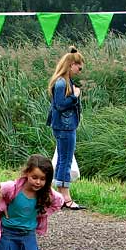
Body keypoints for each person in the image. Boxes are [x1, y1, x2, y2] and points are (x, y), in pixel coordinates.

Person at [46, 46, 85, 210]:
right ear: (71, 65)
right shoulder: (62, 83)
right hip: (65, 126)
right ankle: (65, 197)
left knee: (63, 159)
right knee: (65, 160)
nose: (80, 70)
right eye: (79, 66)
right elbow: (61, 105)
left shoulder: (63, 81)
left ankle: (61, 195)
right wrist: (75, 97)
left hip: (64, 126)